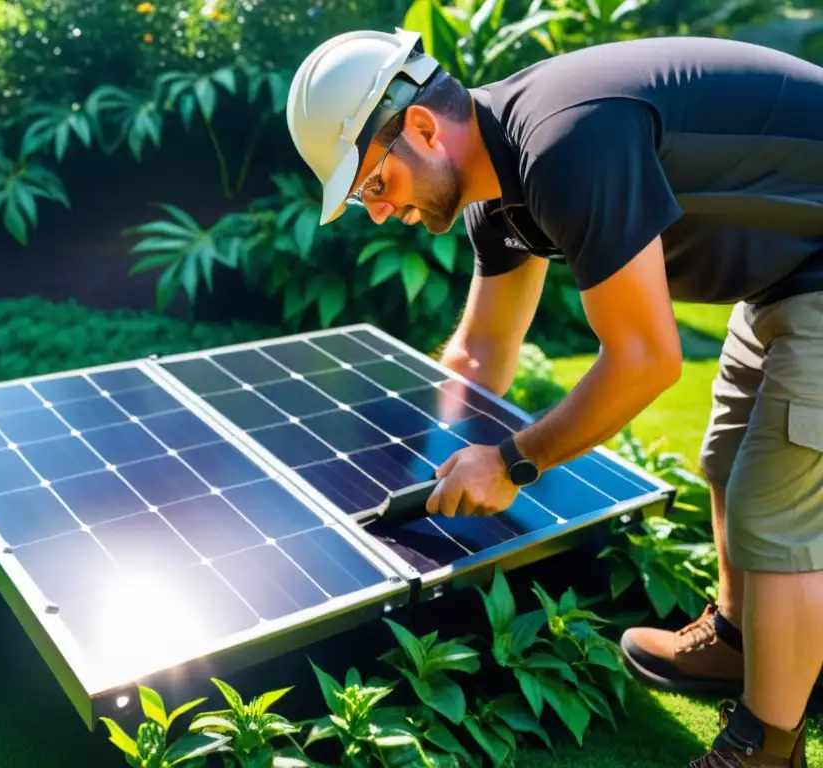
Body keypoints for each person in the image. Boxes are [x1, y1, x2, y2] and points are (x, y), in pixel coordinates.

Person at [285, 28, 823, 768]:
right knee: (726, 463)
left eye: (374, 184)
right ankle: (735, 641)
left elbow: (645, 361)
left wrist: (511, 461)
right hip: (783, 272)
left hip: (817, 268)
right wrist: (413, 463)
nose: (377, 212)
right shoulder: (498, 195)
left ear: (420, 127)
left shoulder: (564, 143)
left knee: (774, 507)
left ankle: (766, 746)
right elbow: (483, 350)